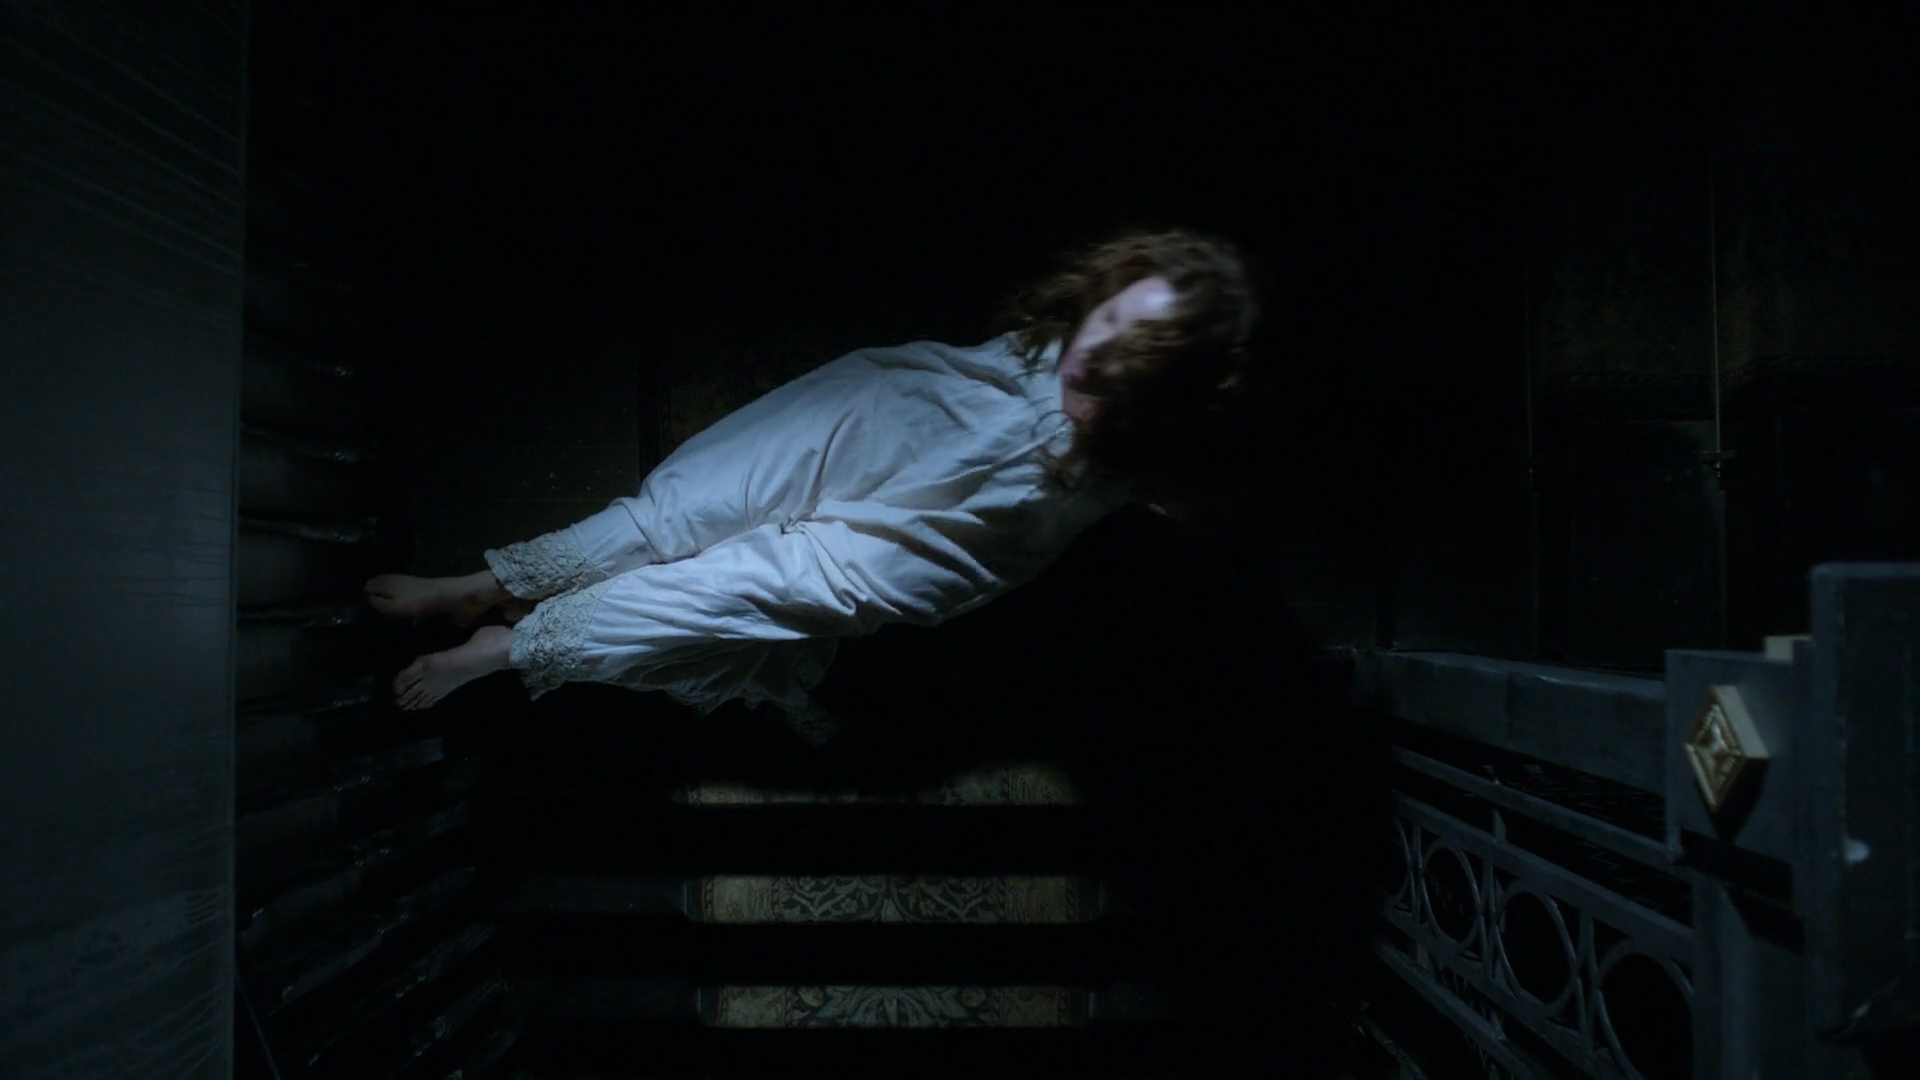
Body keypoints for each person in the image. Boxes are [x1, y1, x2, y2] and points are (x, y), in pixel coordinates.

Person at [365, 228, 1260, 744]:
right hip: (896, 412)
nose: (1094, 352)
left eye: (1129, 361)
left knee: (722, 593)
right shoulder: (1067, 335)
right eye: (1109, 317)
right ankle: (488, 583)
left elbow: (1210, 503)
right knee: (685, 505)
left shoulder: (1160, 450)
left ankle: (506, 650)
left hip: (946, 543)